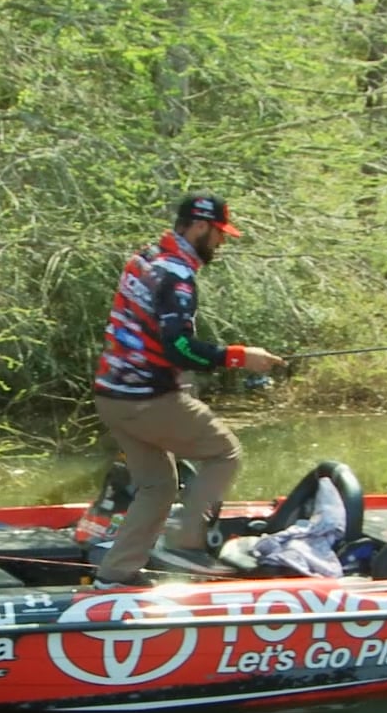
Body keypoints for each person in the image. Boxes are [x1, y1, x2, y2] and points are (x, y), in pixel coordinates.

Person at [90, 193, 285, 587]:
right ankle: (186, 543)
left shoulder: (146, 258)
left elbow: (148, 335)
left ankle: (115, 576)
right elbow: (177, 346)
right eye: (219, 233)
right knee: (224, 453)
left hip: (111, 396)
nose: (221, 241)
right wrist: (238, 357)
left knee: (158, 485)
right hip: (146, 400)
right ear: (199, 226)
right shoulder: (176, 276)